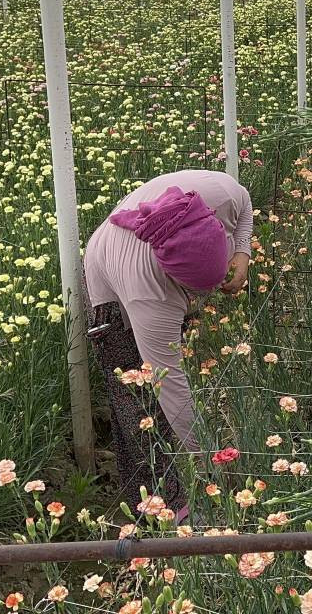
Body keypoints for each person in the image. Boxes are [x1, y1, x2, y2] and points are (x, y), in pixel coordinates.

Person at [84, 169, 252, 518]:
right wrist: (212, 460)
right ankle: (163, 509)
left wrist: (242, 250)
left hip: (154, 266)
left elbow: (246, 203)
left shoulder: (218, 194)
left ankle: (185, 487)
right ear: (174, 280)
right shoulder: (150, 293)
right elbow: (169, 384)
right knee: (136, 399)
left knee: (164, 381)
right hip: (109, 274)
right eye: (193, 292)